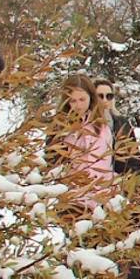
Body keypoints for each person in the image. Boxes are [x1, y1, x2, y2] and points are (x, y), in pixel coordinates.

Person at [95, 78, 140, 279]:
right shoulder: (88, 125)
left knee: (127, 235)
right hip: (97, 191)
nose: (105, 100)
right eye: (100, 96)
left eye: (109, 96)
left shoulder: (121, 123)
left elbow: (135, 157)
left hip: (122, 188)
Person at [49, 74, 114, 211]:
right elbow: (53, 163)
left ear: (91, 97)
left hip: (101, 198)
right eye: (73, 101)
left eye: (82, 99)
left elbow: (106, 161)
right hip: (72, 199)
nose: (78, 105)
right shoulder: (60, 128)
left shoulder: (102, 125)